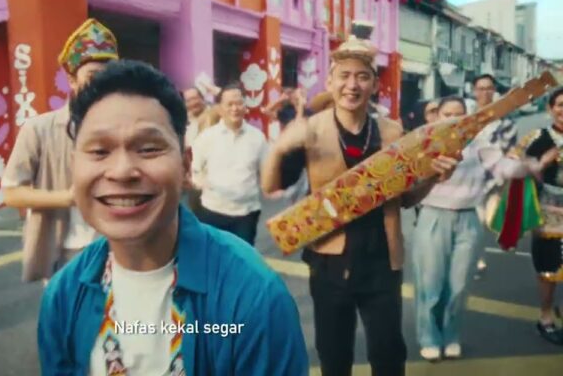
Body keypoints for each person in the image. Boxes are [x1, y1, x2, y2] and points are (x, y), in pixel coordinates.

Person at [37, 60, 309, 375]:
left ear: (185, 165)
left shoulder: (254, 299)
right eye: (99, 151)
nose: (122, 171)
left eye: (148, 148)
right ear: (74, 166)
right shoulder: (63, 297)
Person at [261, 35, 459, 376]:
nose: (352, 85)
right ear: (330, 82)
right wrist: (279, 147)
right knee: (334, 355)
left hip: (383, 260)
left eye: (362, 76)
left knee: (389, 355)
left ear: (375, 85)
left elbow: (406, 198)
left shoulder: (392, 132)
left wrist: (433, 178)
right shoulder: (309, 129)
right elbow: (270, 187)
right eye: (344, 75)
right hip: (329, 261)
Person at [412, 96, 555, 360]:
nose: (453, 118)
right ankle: (429, 337)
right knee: (430, 283)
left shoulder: (478, 141)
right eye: (447, 114)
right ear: (438, 116)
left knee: (459, 285)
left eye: (459, 113)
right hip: (433, 216)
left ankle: (451, 335)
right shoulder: (426, 141)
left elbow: (502, 166)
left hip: (468, 217)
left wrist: (530, 165)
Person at [2, 18, 119, 282]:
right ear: (71, 79)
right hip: (64, 251)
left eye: (109, 78)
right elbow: (11, 193)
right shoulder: (39, 129)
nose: (101, 85)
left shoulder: (123, 127)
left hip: (116, 246)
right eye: (92, 77)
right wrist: (66, 198)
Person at [510, 87, 563, 345]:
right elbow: (512, 167)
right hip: (548, 211)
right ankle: (546, 317)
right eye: (560, 105)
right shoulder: (536, 137)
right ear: (550, 109)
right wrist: (540, 164)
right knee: (548, 268)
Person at [191, 83, 270, 246]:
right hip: (212, 210)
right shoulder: (207, 138)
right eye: (230, 104)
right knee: (213, 257)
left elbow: (266, 172)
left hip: (246, 213)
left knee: (241, 257)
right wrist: (200, 183)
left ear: (245, 106)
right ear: (220, 108)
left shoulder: (258, 138)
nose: (235, 108)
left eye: (239, 103)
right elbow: (194, 169)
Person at [471, 74, 519, 278]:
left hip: (494, 180)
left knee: (489, 221)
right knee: (478, 223)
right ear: (474, 91)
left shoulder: (506, 122)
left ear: (494, 91)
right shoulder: (466, 118)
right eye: (481, 88)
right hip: (469, 179)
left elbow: (511, 152)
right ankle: (478, 261)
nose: (485, 92)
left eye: (489, 88)